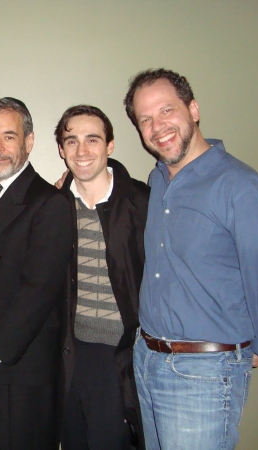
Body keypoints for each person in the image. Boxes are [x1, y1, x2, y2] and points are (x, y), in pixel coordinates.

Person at [123, 68, 258, 449]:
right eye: (145, 119)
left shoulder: (240, 185)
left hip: (204, 371)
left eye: (166, 111)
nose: (158, 127)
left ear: (193, 109)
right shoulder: (157, 180)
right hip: (147, 357)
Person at [0, 97, 71, 449]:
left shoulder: (49, 203)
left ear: (29, 142)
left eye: (9, 136)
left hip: (26, 366)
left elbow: (39, 290)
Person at [55, 104, 148, 450]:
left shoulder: (141, 203)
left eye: (92, 140)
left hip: (121, 353)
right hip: (67, 353)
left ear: (110, 146)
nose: (81, 151)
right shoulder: (53, 207)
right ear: (61, 150)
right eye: (72, 141)